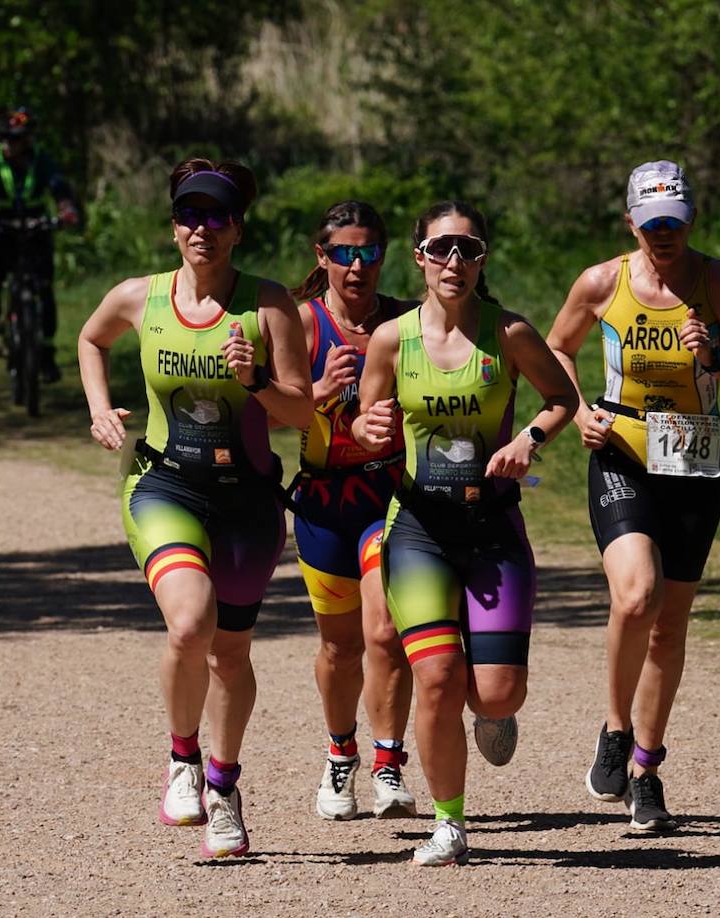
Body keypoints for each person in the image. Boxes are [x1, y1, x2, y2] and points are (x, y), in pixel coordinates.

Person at [77, 158, 312, 859]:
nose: (200, 228)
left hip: (247, 499)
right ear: (174, 225)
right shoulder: (139, 298)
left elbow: (303, 411)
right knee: (189, 623)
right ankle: (182, 757)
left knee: (231, 656)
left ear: (237, 227)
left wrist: (256, 379)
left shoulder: (270, 307)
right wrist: (99, 409)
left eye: (216, 216)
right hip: (164, 486)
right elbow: (91, 340)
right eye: (189, 215)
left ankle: (224, 785)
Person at [545, 160, 720, 832]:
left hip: (694, 464)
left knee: (669, 627)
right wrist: (581, 408)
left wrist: (719, 362)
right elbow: (558, 347)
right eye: (651, 225)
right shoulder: (601, 282)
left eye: (674, 222)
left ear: (693, 218)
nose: (664, 235)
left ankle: (646, 769)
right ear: (631, 224)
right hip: (621, 453)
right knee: (636, 595)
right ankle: (616, 729)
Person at [352, 200, 577, 865]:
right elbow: (370, 417)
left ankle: (495, 710)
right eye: (442, 248)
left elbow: (561, 398)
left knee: (496, 690)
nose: (455, 262)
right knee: (439, 676)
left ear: (483, 259)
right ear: (419, 257)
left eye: (469, 250)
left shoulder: (507, 334)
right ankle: (449, 824)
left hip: (494, 525)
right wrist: (368, 430)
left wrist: (529, 440)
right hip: (419, 524)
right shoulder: (393, 338)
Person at [287, 201, 419, 821]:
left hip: (387, 497)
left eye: (368, 252)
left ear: (383, 256)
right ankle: (340, 756)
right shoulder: (303, 325)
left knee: (384, 632)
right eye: (344, 252)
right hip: (319, 503)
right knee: (339, 648)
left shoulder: (407, 322)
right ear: (323, 257)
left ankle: (389, 763)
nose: (357, 265)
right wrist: (315, 392)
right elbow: (263, 412)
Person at [0, 107, 78, 381]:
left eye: (18, 139)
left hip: (35, 227)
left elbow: (59, 189)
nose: (12, 144)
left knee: (45, 288)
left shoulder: (42, 161)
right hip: (0, 227)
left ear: (28, 139)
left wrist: (66, 211)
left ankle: (47, 355)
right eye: (8, 139)